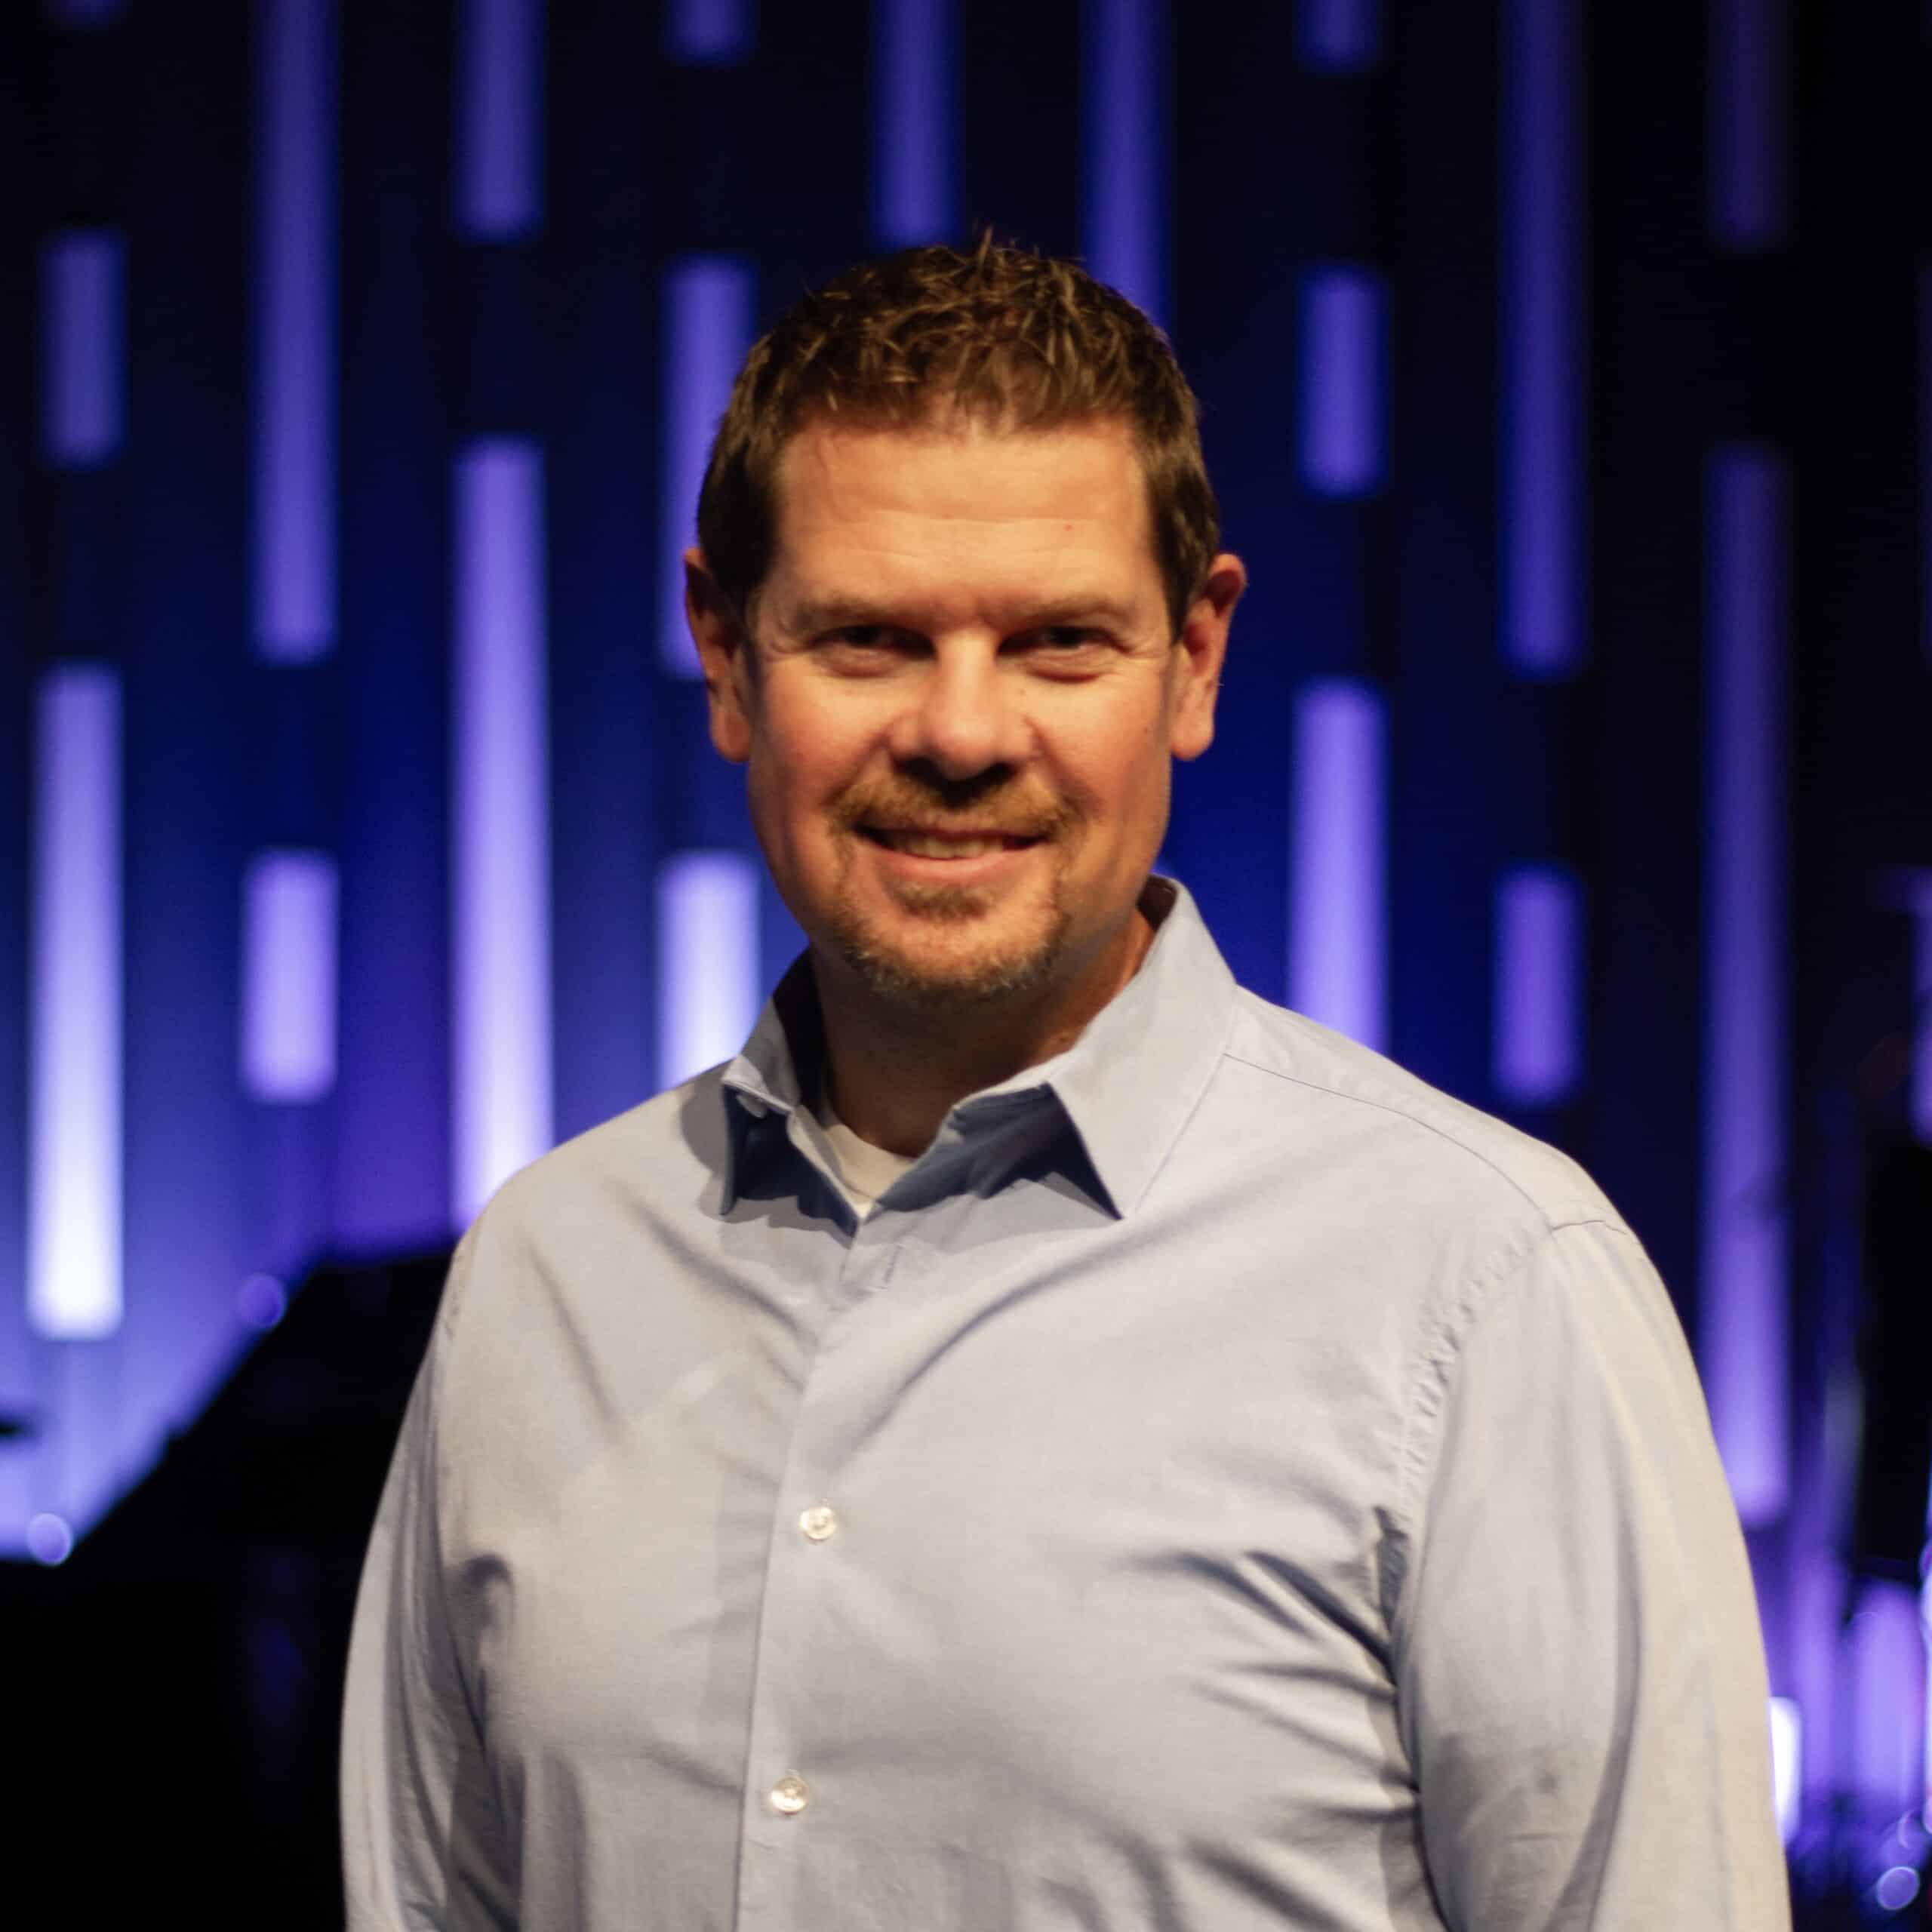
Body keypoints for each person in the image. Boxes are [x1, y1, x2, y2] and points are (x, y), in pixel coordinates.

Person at [340, 235, 1789, 1930]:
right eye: (868, 637)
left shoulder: (1480, 1285)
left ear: (1193, 661)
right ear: (725, 659)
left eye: (1055, 643)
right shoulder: (542, 1270)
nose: (960, 730)